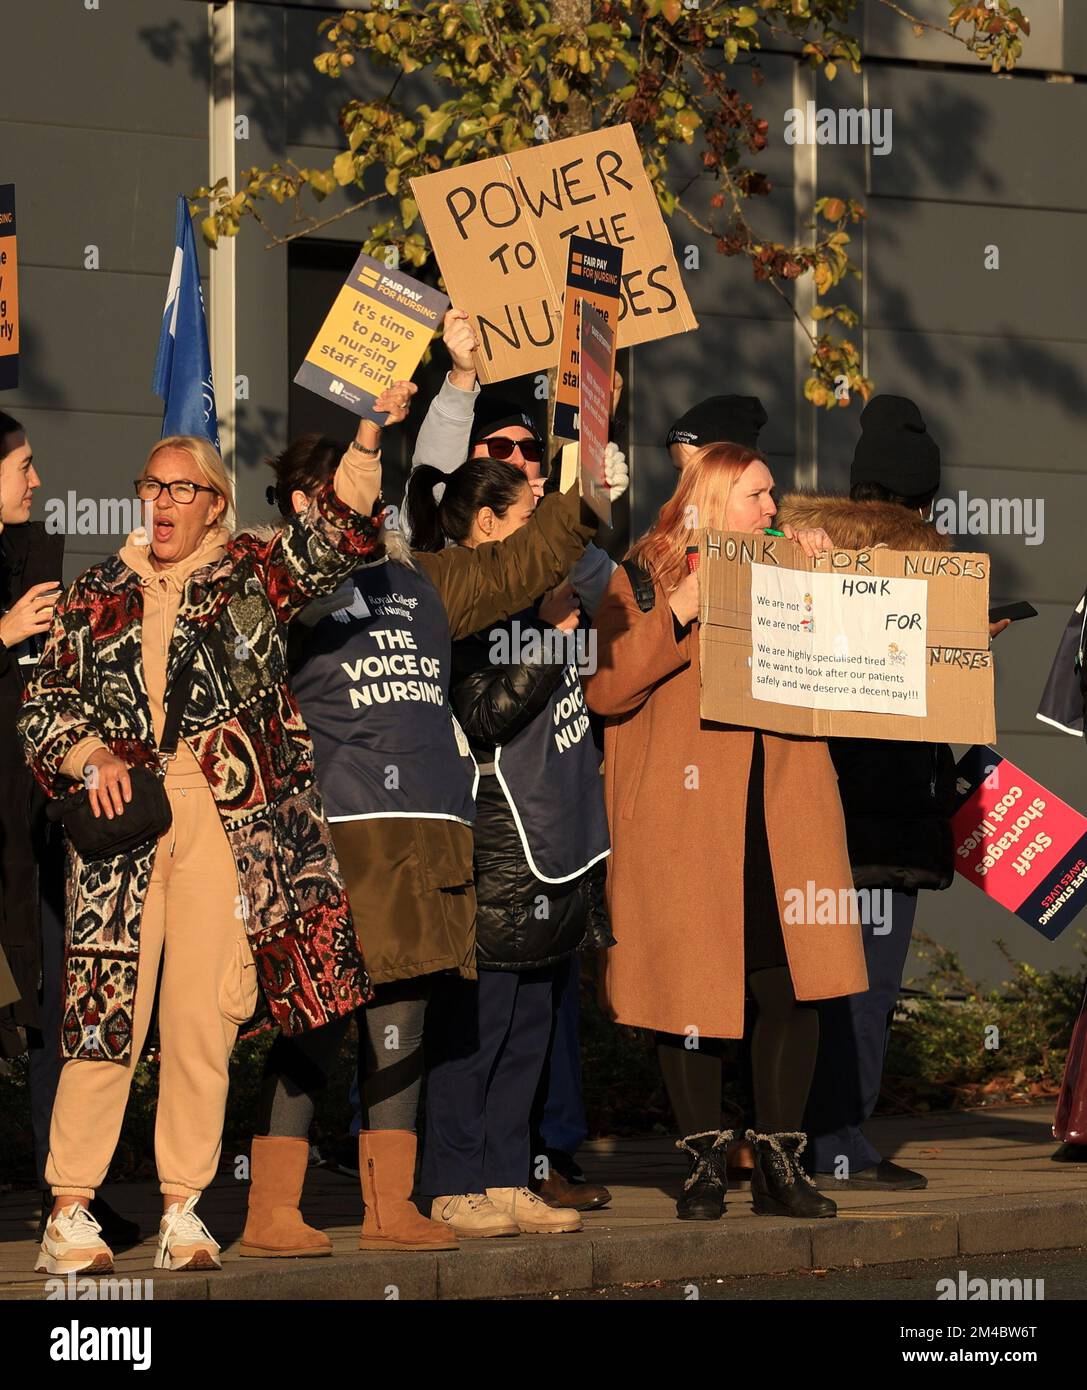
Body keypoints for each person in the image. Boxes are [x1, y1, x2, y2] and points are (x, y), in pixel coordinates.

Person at [19, 387, 406, 1276]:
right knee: (103, 1016)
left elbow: (341, 535)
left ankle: (184, 1207)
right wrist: (88, 759)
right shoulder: (95, 592)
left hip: (223, 822)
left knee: (202, 1018)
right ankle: (70, 1209)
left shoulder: (251, 574)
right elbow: (45, 705)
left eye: (178, 490)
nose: (159, 503)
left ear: (215, 504)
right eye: (149, 487)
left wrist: (370, 432)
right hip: (121, 825)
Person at [242, 446, 625, 1254]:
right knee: (316, 1022)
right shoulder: (280, 587)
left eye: (368, 492)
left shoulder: (423, 578)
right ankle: (273, 1210)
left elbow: (519, 560)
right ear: (304, 505)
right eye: (342, 491)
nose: (364, 505)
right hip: (332, 835)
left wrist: (582, 496)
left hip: (428, 835)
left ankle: (391, 1209)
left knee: (403, 1026)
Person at [585, 441, 868, 1221]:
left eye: (771, 495)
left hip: (782, 814)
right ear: (711, 499)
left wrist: (827, 572)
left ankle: (781, 1164)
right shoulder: (639, 574)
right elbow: (604, 689)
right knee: (691, 989)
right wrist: (683, 606)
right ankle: (702, 1165)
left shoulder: (787, 563)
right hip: (685, 823)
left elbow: (859, 658)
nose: (773, 510)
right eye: (757, 495)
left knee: (790, 988)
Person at [417, 461, 612, 1237]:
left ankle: (505, 1174)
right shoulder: (457, 613)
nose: (544, 529)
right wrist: (553, 637)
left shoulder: (546, 600)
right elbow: (484, 715)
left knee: (531, 1025)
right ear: (488, 525)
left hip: (556, 847)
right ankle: (451, 1179)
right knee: (478, 1027)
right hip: (497, 843)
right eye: (532, 513)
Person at [775, 397, 952, 1191]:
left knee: (795, 986)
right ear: (923, 503)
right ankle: (837, 1139)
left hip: (807, 809)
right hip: (882, 823)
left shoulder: (793, 553)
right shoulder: (926, 572)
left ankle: (781, 1135)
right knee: (866, 989)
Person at [0, 413, 140, 1250]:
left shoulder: (39, 559)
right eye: (22, 465)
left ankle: (69, 1195)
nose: (38, 480)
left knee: (58, 1015)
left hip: (39, 830)